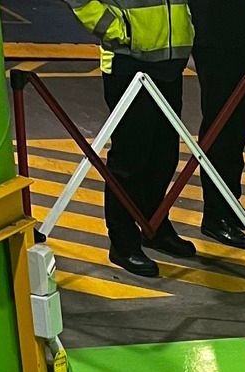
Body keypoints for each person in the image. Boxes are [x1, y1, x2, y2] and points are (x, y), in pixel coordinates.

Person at [68, 2, 197, 276]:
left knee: (164, 155)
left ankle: (154, 226)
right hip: (128, 62)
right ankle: (123, 242)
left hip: (169, 60)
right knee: (130, 158)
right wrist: (115, 29)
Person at [191, 0, 245, 247]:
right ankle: (215, 216)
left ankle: (230, 204)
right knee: (220, 128)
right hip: (217, 36)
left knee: (237, 131)